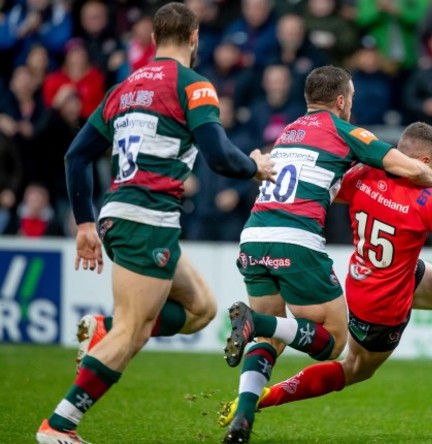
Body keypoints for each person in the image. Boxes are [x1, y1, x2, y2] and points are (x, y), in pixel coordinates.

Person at [35, 4, 274, 444]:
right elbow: (220, 157)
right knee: (133, 332)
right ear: (195, 37)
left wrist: (85, 223)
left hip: (123, 215)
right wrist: (255, 167)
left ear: (152, 39)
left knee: (201, 308)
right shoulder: (194, 86)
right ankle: (59, 426)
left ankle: (104, 329)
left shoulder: (123, 89)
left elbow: (76, 155)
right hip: (145, 217)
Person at [218, 123, 432, 433]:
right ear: (422, 163)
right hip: (383, 304)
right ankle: (264, 398)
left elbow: (327, 189)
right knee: (354, 369)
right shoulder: (426, 198)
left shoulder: (365, 175)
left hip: (381, 274)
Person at [222, 67, 432, 444]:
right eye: (352, 98)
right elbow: (405, 166)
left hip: (254, 235)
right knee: (333, 342)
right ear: (341, 100)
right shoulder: (344, 131)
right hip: (295, 239)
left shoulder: (288, 131)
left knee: (273, 337)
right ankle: (256, 323)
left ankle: (242, 420)